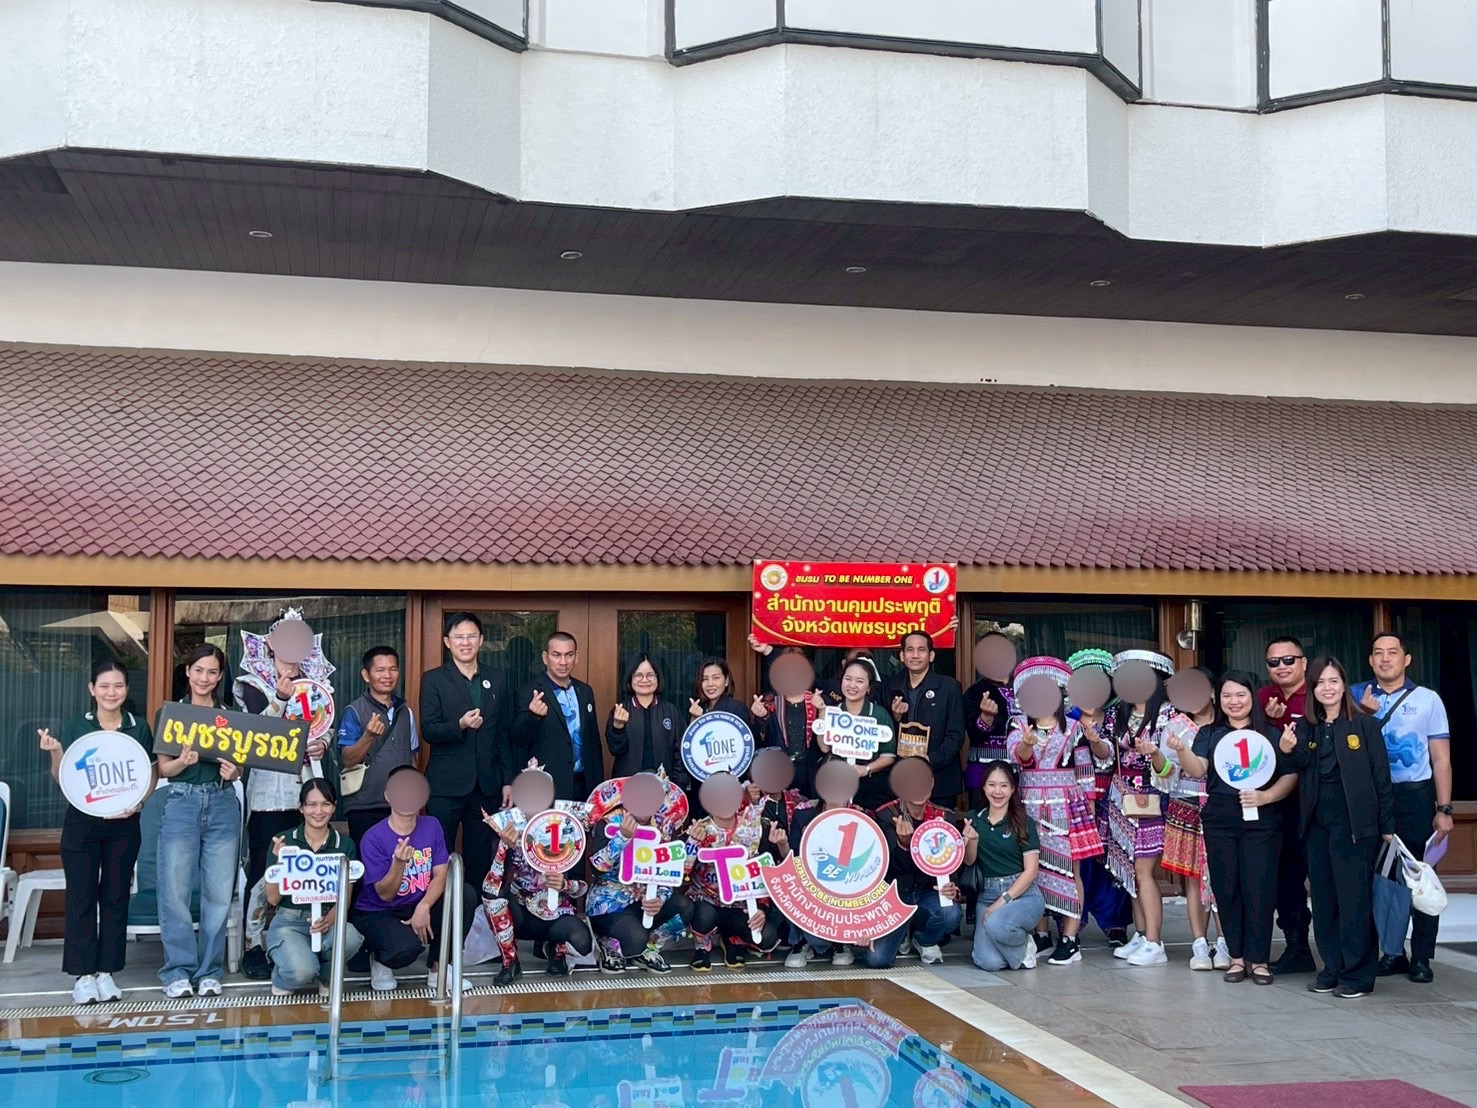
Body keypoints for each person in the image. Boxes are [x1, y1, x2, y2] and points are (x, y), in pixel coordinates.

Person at [37, 661, 156, 1004]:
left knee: (116, 896)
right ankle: (83, 975)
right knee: (81, 897)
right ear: (92, 689)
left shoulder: (138, 727)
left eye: (118, 686)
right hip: (82, 822)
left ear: (126, 690)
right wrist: (56, 752)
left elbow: (149, 774)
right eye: (104, 686)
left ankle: (107, 972)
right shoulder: (78, 725)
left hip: (124, 825)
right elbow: (63, 778)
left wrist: (139, 803)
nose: (111, 693)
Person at [1169, 671, 1293, 984]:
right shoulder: (1209, 733)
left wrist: (1265, 796)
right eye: (1227, 695)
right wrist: (1181, 750)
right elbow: (1198, 769)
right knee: (1226, 888)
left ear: (1252, 697)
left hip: (1262, 820)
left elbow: (1290, 775)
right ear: (1217, 698)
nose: (1234, 701)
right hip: (1220, 819)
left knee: (1259, 889)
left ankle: (1259, 960)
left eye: (1240, 695)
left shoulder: (1270, 734)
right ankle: (1236, 958)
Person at [1283, 657, 1394, 999]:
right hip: (1317, 825)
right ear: (1312, 689)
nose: (1327, 688)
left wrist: (1386, 826)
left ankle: (1357, 975)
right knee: (1324, 900)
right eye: (1320, 682)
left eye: (1333, 681)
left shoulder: (1364, 725)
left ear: (1344, 685)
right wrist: (1287, 749)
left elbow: (1381, 778)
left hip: (1355, 826)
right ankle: (1331, 968)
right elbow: (1300, 763)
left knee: (1354, 901)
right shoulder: (1307, 728)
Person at [1353, 632, 1452, 984]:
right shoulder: (1355, 696)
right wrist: (1363, 714)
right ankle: (1391, 953)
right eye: (1378, 653)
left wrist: (1444, 808)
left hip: (1414, 797)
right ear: (1370, 660)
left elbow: (1440, 759)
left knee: (1419, 876)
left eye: (1392, 652)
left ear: (1406, 659)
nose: (1385, 659)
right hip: (1369, 798)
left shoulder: (1427, 699)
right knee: (1378, 879)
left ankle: (1422, 956)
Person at [235, 622, 330, 981]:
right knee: (265, 871)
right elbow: (252, 733)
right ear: (270, 643)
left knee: (307, 870)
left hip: (307, 790)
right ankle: (253, 945)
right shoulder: (251, 684)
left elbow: (323, 724)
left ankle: (302, 942)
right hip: (269, 793)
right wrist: (278, 697)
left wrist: (323, 744)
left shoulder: (317, 683)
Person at [154, 644, 243, 999]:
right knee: (175, 890)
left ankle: (209, 971)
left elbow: (240, 766)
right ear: (188, 672)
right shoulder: (172, 713)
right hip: (182, 801)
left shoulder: (231, 715)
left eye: (212, 672)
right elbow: (165, 768)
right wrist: (183, 762)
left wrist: (235, 772)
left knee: (219, 893)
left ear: (220, 676)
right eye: (199, 670)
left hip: (222, 802)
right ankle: (177, 970)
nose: (204, 678)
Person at [1006, 657, 1106, 965]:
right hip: (1029, 803)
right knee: (1034, 869)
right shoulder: (1019, 724)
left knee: (1069, 870)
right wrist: (1026, 744)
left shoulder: (1074, 727)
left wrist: (1089, 806)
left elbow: (1085, 768)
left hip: (1067, 804)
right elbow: (1018, 757)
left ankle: (1070, 938)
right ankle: (1042, 934)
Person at [348, 766, 478, 992]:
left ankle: (439, 968)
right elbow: (385, 894)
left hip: (417, 902)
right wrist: (398, 863)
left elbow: (441, 873)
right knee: (405, 950)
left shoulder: (432, 825)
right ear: (388, 796)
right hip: (380, 911)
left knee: (464, 894)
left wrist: (424, 906)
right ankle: (379, 958)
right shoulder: (373, 837)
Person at [419, 613, 513, 889]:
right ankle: (439, 913)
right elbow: (429, 730)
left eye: (471, 636)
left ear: (481, 640)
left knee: (480, 859)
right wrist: (459, 724)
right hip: (445, 785)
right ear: (447, 642)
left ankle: (474, 913)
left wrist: (507, 780)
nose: (465, 642)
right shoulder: (434, 679)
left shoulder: (497, 678)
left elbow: (502, 734)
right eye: (459, 637)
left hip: (485, 785)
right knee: (439, 858)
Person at [1155, 668, 1228, 972]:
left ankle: (1225, 942)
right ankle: (1199, 943)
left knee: (1224, 874)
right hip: (1186, 803)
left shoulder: (1229, 723)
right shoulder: (1173, 726)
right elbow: (1166, 774)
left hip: (1222, 804)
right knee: (1194, 878)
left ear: (1212, 691)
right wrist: (1157, 757)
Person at [262, 778, 364, 995]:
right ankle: (284, 975)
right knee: (302, 971)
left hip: (328, 917)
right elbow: (272, 899)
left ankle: (327, 976)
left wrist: (329, 921)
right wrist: (280, 863)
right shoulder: (284, 841)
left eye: (326, 804)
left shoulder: (345, 845)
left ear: (334, 807)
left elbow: (344, 899)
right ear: (301, 808)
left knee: (351, 938)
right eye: (311, 804)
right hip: (289, 920)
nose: (319, 811)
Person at [1105, 650, 1174, 967]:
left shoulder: (1169, 716)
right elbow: (1106, 756)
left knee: (1144, 871)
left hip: (1152, 797)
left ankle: (1155, 942)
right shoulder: (1116, 714)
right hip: (1120, 797)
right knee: (1130, 872)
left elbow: (1171, 766)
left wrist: (1153, 753)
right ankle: (1143, 933)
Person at [867, 759, 965, 968]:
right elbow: (885, 869)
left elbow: (950, 864)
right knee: (877, 960)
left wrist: (951, 887)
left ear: (932, 783)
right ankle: (901, 931)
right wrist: (903, 844)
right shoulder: (886, 815)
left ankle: (923, 939)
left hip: (926, 892)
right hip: (894, 896)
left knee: (951, 914)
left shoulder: (944, 816)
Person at [684, 777, 786, 968]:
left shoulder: (753, 826)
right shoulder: (700, 828)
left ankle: (732, 940)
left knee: (767, 937)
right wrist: (692, 843)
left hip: (742, 903)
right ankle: (702, 947)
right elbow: (683, 872)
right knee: (703, 916)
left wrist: (761, 909)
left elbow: (763, 870)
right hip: (708, 900)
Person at [1258, 635, 1316, 977]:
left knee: (1326, 879)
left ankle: (1344, 952)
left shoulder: (1320, 693)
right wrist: (1268, 721)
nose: (1281, 667)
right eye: (1273, 662)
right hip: (1279, 804)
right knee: (1286, 880)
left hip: (1318, 803)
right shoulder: (1262, 697)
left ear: (1304, 663)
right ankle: (1297, 948)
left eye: (1288, 660)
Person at [1067, 648, 1132, 948]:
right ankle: (1071, 924)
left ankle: (1115, 923)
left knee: (1113, 859)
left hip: (1111, 795)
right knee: (1076, 860)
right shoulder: (1065, 717)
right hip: (1074, 795)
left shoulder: (1118, 717)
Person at [481, 816, 594, 986]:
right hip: (520, 913)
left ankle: (555, 949)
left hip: (555, 914)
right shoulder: (508, 826)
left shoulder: (568, 827)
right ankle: (510, 962)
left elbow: (583, 887)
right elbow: (491, 885)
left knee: (582, 942)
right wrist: (504, 846)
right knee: (493, 895)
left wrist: (565, 884)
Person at [967, 760, 1046, 972]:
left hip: (1023, 895)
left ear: (1012, 789)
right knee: (989, 963)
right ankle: (1019, 949)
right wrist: (971, 841)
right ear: (984, 787)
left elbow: (1031, 871)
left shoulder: (1024, 822)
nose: (997, 791)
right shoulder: (974, 819)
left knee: (995, 924)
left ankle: (1020, 941)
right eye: (992, 785)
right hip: (987, 894)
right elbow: (969, 861)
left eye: (1004, 785)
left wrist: (1002, 901)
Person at [338, 646, 420, 846]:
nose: (387, 676)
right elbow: (348, 759)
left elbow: (412, 758)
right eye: (380, 670)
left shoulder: (405, 712)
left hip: (402, 805)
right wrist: (368, 736)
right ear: (366, 675)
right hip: (365, 806)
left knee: (404, 861)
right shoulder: (354, 711)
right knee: (369, 863)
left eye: (393, 669)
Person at [513, 631, 602, 801]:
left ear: (576, 657)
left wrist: (597, 785)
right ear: (545, 657)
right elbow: (518, 738)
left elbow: (593, 741)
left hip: (584, 785)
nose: (563, 662)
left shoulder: (584, 691)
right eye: (556, 655)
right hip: (547, 788)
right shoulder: (528, 691)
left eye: (569, 655)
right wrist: (533, 717)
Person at [881, 632, 966, 808]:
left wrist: (929, 759)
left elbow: (956, 736)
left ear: (931, 655)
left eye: (921, 650)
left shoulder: (949, 687)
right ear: (902, 656)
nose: (915, 655)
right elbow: (882, 734)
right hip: (900, 777)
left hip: (940, 780)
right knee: (901, 824)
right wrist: (895, 718)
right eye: (910, 650)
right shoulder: (889, 686)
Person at [812, 659, 897, 810]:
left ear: (869, 687)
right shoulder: (833, 711)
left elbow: (889, 755)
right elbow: (825, 748)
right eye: (848, 679)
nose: (852, 685)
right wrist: (822, 712)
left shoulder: (879, 714)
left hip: (870, 788)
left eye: (859, 681)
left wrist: (866, 769)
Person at [607, 654, 687, 783]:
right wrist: (618, 726)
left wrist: (678, 786)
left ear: (658, 678)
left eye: (650, 675)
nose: (644, 680)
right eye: (638, 675)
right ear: (630, 678)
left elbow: (680, 754)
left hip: (665, 786)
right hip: (627, 786)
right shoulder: (620, 710)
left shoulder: (671, 711)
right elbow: (615, 750)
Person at [752, 661, 822, 798]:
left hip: (810, 775)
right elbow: (761, 740)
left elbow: (825, 744)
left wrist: (822, 710)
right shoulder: (770, 701)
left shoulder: (818, 701)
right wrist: (762, 717)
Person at [963, 634, 1015, 806]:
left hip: (1020, 771)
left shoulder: (1024, 687)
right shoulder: (975, 692)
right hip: (983, 770)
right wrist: (986, 717)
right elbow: (973, 735)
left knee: (1017, 819)